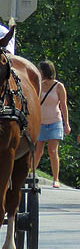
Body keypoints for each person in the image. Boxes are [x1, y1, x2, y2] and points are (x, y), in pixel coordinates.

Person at [33, 60, 70, 188]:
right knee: (38, 151)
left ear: (44, 71)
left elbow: (63, 106)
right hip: (41, 122)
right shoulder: (39, 85)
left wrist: (67, 124)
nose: (38, 72)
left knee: (53, 151)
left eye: (40, 70)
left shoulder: (59, 86)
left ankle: (56, 179)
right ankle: (31, 173)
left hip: (55, 121)